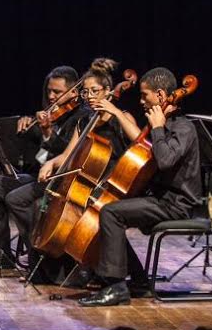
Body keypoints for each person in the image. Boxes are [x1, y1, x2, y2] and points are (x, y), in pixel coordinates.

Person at [78, 67, 201, 307]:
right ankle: (140, 281)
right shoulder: (166, 124)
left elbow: (164, 160)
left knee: (110, 213)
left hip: (176, 205)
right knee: (107, 210)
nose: (141, 100)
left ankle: (115, 286)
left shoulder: (183, 128)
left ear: (161, 96)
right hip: (160, 200)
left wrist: (156, 127)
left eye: (145, 95)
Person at [5, 61, 132, 282]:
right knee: (42, 205)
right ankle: (50, 268)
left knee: (63, 210)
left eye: (95, 91)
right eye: (86, 91)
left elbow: (139, 142)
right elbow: (67, 155)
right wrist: (51, 163)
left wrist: (115, 112)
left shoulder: (122, 118)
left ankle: (88, 267)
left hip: (108, 185)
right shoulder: (84, 121)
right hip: (84, 182)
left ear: (108, 91)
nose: (90, 96)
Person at [0, 64, 82, 270]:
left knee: (17, 198)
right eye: (49, 90)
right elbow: (40, 158)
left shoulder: (78, 118)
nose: (50, 96)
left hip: (60, 180)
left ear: (73, 91)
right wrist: (33, 133)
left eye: (57, 92)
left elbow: (66, 154)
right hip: (38, 175)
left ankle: (39, 250)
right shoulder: (51, 116)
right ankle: (2, 252)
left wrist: (47, 133)